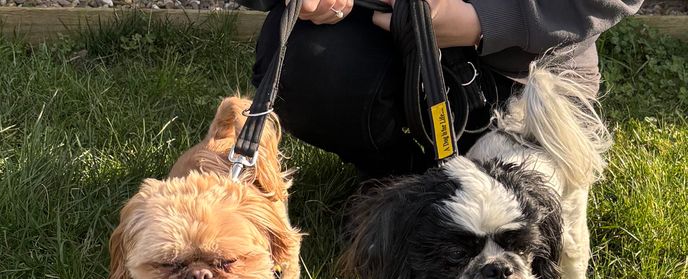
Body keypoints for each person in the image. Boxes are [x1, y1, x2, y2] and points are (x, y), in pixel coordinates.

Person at [247, 0, 643, 177]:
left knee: (513, 210)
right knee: (302, 63)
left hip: (530, 66)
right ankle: (399, 178)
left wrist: (486, 19)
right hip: (389, 39)